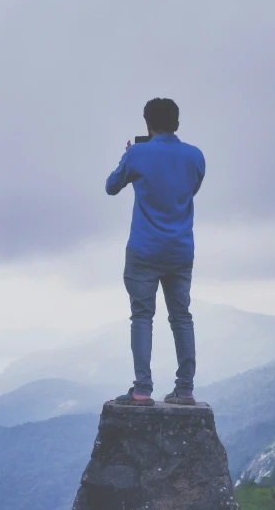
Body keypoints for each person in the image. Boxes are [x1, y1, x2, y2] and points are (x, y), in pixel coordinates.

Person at [105, 98, 206, 406]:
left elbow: (111, 186)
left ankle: (142, 389)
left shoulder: (137, 153)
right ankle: (185, 389)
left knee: (142, 316)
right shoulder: (195, 157)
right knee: (181, 317)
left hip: (145, 249)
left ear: (147, 123)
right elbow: (190, 190)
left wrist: (127, 158)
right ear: (177, 122)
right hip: (180, 249)